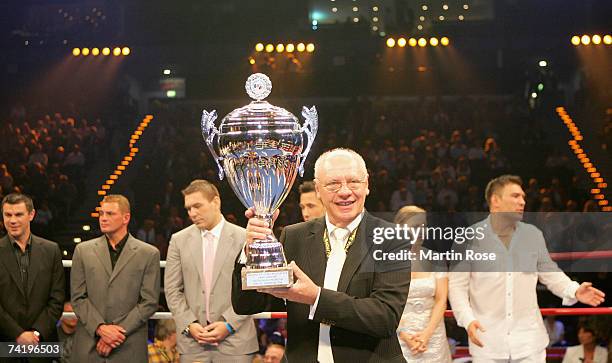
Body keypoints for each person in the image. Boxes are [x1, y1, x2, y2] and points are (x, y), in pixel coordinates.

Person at [232, 148, 410, 362]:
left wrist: (315, 297)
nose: (345, 191)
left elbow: (385, 317)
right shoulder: (293, 236)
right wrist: (251, 251)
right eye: (333, 184)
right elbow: (247, 305)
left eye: (354, 182)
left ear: (367, 185)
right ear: (318, 189)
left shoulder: (392, 238)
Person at [448, 175, 605, 362]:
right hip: (487, 342)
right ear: (495, 201)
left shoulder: (532, 235)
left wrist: (574, 290)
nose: (522, 202)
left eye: (523, 197)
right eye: (515, 196)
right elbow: (457, 288)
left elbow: (550, 273)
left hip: (530, 342)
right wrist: (467, 320)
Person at [164, 180, 258, 362]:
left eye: (197, 206)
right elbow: (172, 290)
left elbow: (254, 289)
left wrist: (229, 324)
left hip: (236, 342)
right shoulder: (178, 240)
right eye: (188, 208)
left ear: (216, 202)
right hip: (192, 343)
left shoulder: (243, 238)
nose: (192, 213)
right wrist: (189, 324)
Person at [71, 194, 160, 362]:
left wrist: (116, 333)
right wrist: (100, 329)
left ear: (126, 218)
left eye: (110, 214)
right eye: (101, 213)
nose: (103, 218)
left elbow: (149, 301)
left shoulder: (148, 253)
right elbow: (78, 297)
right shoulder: (83, 251)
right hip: (89, 345)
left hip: (129, 345)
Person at [0, 193, 65, 362]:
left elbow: (57, 299)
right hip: (4, 343)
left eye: (18, 214)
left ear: (31, 215)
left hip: (43, 343)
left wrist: (36, 333)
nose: (12, 220)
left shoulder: (51, 250)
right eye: (8, 215)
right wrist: (18, 334)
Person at [394, 206, 451, 362]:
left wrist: (427, 334)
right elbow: (384, 303)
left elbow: (441, 300)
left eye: (423, 227)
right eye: (414, 227)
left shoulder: (436, 259)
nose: (420, 232)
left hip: (433, 336)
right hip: (399, 335)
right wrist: (403, 334)